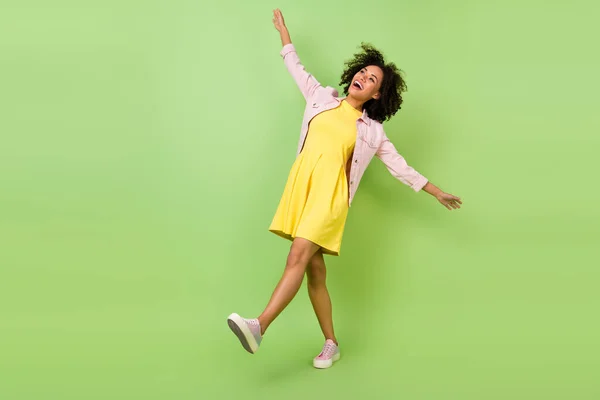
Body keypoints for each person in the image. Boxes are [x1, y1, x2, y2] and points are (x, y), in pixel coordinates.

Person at [227, 9, 462, 369]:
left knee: (297, 257)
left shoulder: (371, 132)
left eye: (371, 80)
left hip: (330, 199)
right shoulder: (321, 98)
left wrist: (435, 191)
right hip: (302, 189)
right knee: (315, 271)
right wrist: (284, 35)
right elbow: (297, 69)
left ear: (376, 94)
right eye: (362, 72)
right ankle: (332, 343)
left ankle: (259, 326)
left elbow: (399, 166)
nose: (362, 78)